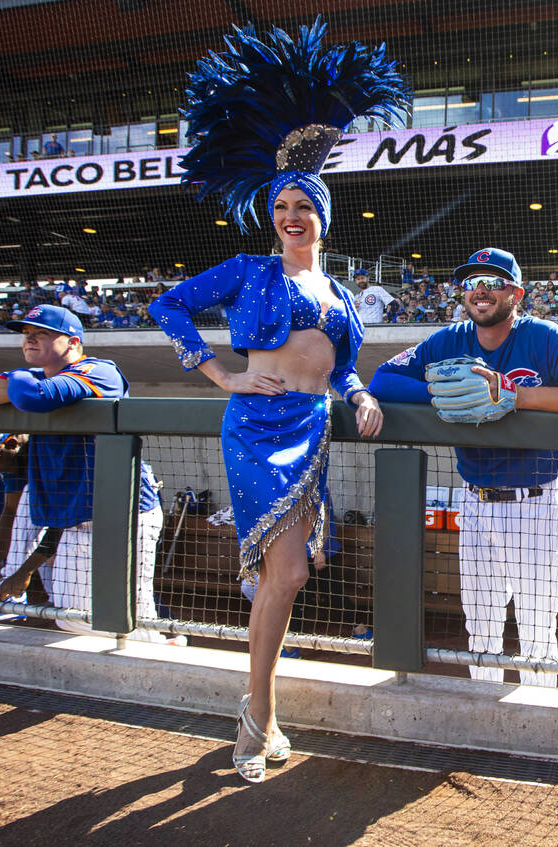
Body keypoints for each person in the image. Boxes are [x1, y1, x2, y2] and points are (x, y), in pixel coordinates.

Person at [148, 18, 407, 784]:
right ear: (273, 213)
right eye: (283, 205)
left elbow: (343, 366)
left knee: (284, 574)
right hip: (256, 425)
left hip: (313, 426)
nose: (294, 216)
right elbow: (167, 306)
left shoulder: (340, 293)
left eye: (306, 205)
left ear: (324, 215)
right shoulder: (248, 268)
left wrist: (359, 396)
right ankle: (254, 716)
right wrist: (220, 374)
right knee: (287, 572)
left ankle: (262, 714)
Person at [370, 247, 558, 687]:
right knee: (481, 628)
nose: (480, 291)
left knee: (537, 629)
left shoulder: (544, 337)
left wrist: (517, 395)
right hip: (475, 502)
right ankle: (485, 722)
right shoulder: (449, 340)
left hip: (535, 502)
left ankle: (539, 723)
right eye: (472, 283)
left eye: (493, 282)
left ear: (516, 293)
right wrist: (442, 395)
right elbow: (383, 381)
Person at [0, 305, 172, 645]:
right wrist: (23, 383)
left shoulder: (100, 371)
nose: (30, 338)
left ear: (73, 342)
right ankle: (141, 658)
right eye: (25, 334)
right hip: (77, 518)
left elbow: (33, 398)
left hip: (125, 515)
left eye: (43, 333)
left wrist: (17, 378)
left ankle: (159, 662)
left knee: (130, 614)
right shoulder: (44, 379)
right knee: (71, 615)